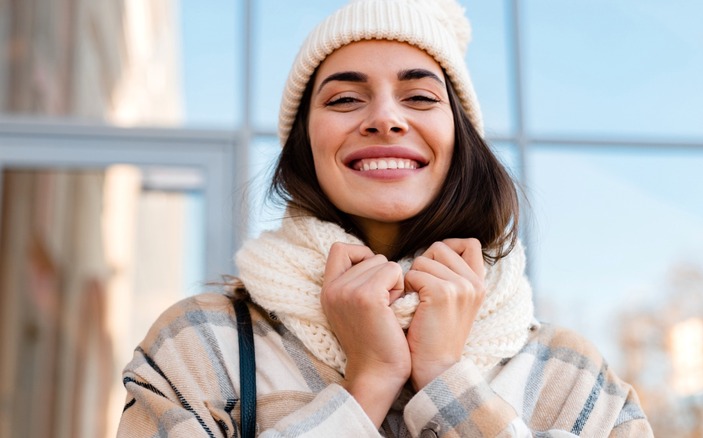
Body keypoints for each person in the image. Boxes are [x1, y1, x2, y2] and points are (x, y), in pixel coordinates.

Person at [117, 0, 653, 436]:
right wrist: (368, 383)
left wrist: (446, 379)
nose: (384, 119)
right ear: (305, 145)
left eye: (419, 96)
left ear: (460, 139)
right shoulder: (200, 344)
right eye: (346, 98)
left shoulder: (571, 376)